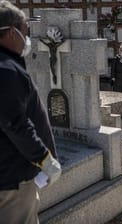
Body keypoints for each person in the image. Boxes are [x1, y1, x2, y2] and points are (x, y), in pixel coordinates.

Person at [0, 1, 62, 223]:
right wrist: (44, 158)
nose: (27, 35)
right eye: (24, 28)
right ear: (9, 32)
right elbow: (14, 122)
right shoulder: (6, 69)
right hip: (12, 181)